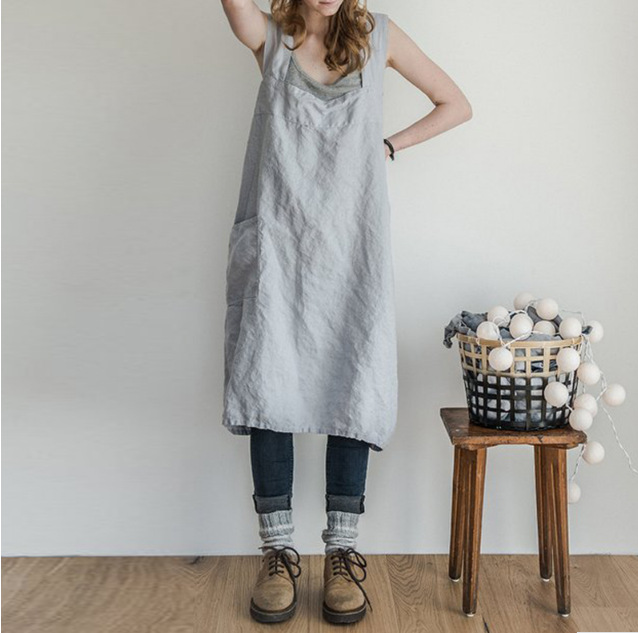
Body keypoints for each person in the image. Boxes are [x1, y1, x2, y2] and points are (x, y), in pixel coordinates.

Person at [220, 0, 472, 624]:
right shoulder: (270, 37)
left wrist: (390, 145)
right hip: (279, 245)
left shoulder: (379, 35)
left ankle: (341, 551)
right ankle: (278, 552)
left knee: (353, 384)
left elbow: (455, 103)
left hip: (352, 246)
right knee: (269, 383)